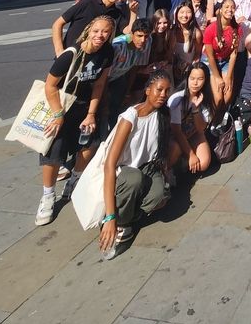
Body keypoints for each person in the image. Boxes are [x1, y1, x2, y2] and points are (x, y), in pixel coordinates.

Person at [36, 15, 115, 226]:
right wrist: (58, 114)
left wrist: (91, 114)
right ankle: (48, 196)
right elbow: (50, 86)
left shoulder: (108, 53)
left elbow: (99, 85)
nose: (100, 35)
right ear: (89, 30)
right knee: (53, 152)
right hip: (62, 106)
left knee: (88, 146)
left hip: (84, 108)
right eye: (97, 31)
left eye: (105, 32)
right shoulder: (70, 54)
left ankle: (74, 180)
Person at [98, 69, 172, 259]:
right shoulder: (130, 117)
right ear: (147, 90)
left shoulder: (162, 114)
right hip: (123, 171)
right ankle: (118, 222)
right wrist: (110, 217)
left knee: (159, 196)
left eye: (167, 91)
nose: (163, 95)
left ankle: (127, 216)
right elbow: (109, 164)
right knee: (134, 179)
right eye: (159, 89)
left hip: (147, 167)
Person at [51, 0, 129, 55]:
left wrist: (133, 12)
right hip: (71, 54)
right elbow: (57, 24)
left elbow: (128, 31)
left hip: (94, 59)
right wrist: (59, 51)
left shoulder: (117, 13)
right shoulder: (87, 3)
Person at [167, 61, 214, 176]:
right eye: (192, 78)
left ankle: (183, 163)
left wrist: (195, 109)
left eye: (200, 79)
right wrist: (191, 155)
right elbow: (176, 131)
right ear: (187, 78)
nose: (195, 83)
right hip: (174, 135)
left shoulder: (204, 98)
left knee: (203, 163)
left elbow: (201, 128)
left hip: (192, 133)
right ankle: (167, 169)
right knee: (176, 147)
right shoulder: (177, 99)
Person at [105, 19, 152, 133]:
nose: (142, 40)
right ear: (131, 33)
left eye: (146, 36)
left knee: (117, 108)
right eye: (139, 36)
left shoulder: (145, 43)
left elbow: (134, 69)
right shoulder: (118, 46)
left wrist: (128, 90)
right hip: (105, 80)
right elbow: (104, 73)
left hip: (120, 77)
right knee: (104, 110)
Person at [202, 0, 240, 108]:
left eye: (232, 7)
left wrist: (228, 77)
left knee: (227, 95)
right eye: (227, 7)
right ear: (220, 10)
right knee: (218, 98)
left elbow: (234, 54)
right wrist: (218, 77)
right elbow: (210, 55)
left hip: (226, 60)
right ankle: (213, 121)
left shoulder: (236, 28)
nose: (230, 9)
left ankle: (222, 120)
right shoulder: (211, 29)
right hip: (210, 60)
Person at [171, 2, 203, 84]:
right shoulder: (171, 31)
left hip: (188, 71)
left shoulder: (196, 33)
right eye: (181, 12)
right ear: (176, 14)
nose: (185, 16)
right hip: (172, 68)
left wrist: (191, 66)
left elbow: (197, 54)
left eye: (188, 12)